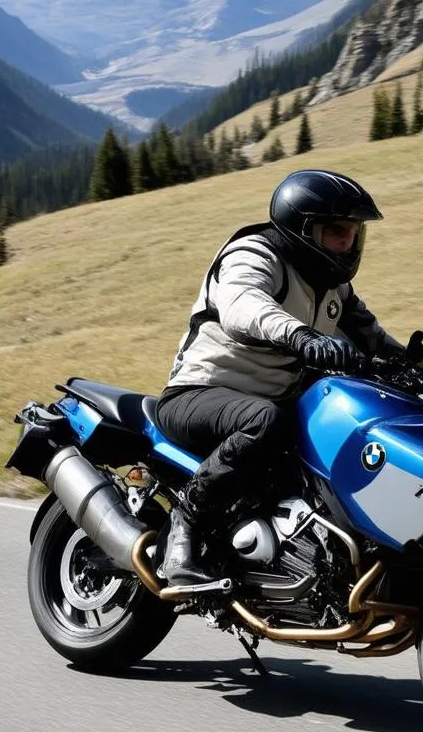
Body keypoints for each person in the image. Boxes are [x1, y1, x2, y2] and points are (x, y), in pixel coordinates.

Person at [154, 168, 409, 587]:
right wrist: (302, 337)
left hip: (273, 402)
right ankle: (185, 521)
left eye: (353, 234)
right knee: (266, 420)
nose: (347, 244)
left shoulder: (332, 287)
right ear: (303, 229)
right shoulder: (254, 255)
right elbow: (243, 306)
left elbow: (373, 337)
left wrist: (418, 365)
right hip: (198, 394)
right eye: (336, 233)